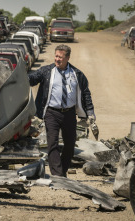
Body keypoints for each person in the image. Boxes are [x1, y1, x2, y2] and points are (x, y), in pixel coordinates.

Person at [28, 44, 96, 177]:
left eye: (60, 57)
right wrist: (23, 77)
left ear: (68, 58)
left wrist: (90, 112)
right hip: (51, 113)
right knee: (52, 143)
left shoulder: (77, 74)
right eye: (56, 56)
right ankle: (57, 175)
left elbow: (86, 93)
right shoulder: (47, 71)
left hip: (69, 113)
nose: (57, 59)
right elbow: (33, 79)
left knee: (70, 145)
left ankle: (62, 171)